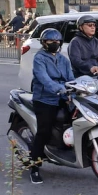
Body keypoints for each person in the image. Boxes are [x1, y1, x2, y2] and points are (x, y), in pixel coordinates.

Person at [30, 28, 75, 184]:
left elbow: (71, 78)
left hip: (62, 97)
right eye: (51, 41)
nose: (54, 43)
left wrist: (74, 90)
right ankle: (34, 167)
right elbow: (44, 79)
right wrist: (60, 89)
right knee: (44, 132)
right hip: (44, 99)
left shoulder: (63, 60)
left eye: (57, 41)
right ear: (44, 43)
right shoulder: (39, 58)